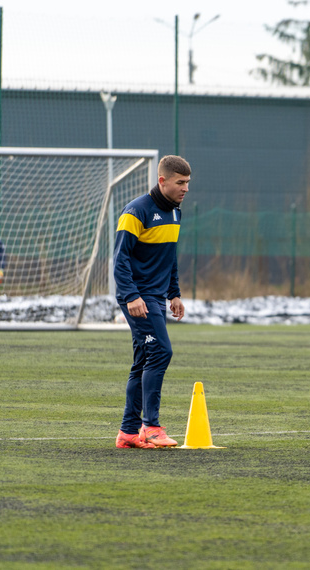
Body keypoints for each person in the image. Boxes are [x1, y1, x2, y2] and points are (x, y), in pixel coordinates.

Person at [113, 155, 190, 449]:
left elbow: (168, 256)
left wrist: (174, 293)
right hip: (138, 298)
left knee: (144, 360)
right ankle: (151, 426)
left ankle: (128, 433)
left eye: (187, 183)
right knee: (161, 352)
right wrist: (131, 296)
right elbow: (119, 260)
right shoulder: (135, 211)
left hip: (157, 297)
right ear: (162, 181)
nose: (185, 189)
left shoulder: (175, 212)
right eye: (180, 183)